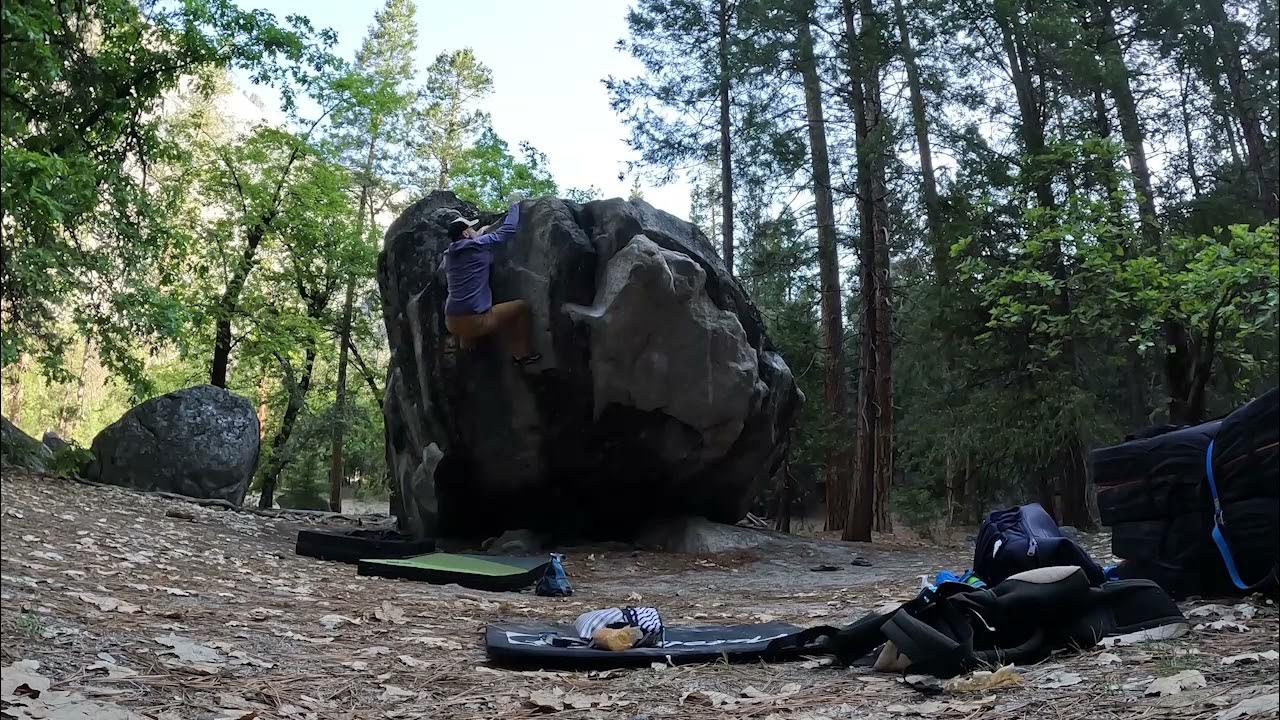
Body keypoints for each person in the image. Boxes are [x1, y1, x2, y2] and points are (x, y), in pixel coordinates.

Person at [442, 201, 541, 365]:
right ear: (466, 234)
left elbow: (468, 248)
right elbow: (508, 230)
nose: (475, 230)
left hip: (451, 321)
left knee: (465, 301)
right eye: (471, 229)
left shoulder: (449, 256)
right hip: (474, 321)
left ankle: (466, 345)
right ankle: (521, 355)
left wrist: (479, 233)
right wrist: (514, 206)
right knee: (521, 307)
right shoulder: (478, 245)